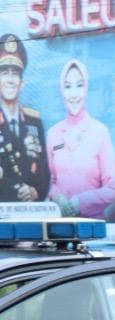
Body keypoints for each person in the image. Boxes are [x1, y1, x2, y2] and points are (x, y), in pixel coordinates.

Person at [46, 59, 115, 218]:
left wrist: (81, 202)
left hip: (92, 229)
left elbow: (112, 190)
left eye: (79, 85)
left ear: (86, 89)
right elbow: (47, 181)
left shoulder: (100, 132)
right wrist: (57, 197)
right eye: (68, 86)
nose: (73, 94)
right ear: (61, 91)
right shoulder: (53, 133)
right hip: (59, 227)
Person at [0, 34, 49, 205]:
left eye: (15, 74)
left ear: (22, 82)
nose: (10, 80)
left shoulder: (33, 120)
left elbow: (44, 169)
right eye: (5, 73)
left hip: (30, 216)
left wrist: (36, 191)